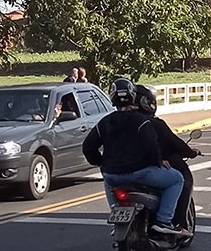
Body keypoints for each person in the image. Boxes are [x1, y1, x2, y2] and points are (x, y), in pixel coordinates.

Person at [82, 78, 185, 235]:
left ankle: (117, 213)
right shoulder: (141, 121)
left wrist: (102, 163)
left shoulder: (104, 122)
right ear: (132, 96)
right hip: (140, 173)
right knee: (177, 179)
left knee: (108, 182)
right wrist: (158, 161)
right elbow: (151, 144)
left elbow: (88, 147)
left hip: (112, 175)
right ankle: (164, 221)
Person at [134, 85, 200, 229]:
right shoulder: (153, 124)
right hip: (152, 168)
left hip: (123, 169)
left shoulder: (121, 122)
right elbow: (174, 143)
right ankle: (176, 222)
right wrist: (190, 152)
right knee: (180, 180)